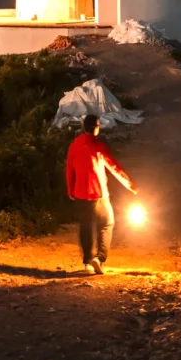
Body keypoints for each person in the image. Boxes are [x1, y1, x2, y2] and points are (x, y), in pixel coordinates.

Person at [65, 112, 138, 274]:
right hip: (99, 193)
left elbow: (69, 169)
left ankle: (87, 264)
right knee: (106, 224)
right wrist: (130, 185)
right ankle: (100, 258)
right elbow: (114, 168)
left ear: (83, 127)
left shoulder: (74, 145)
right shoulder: (98, 147)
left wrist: (70, 189)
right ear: (96, 128)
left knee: (85, 228)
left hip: (80, 194)